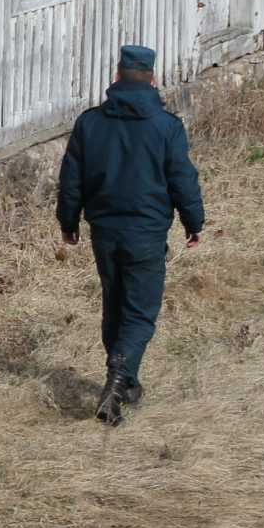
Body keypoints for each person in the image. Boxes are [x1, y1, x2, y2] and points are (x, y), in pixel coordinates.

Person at [56, 44, 205, 426]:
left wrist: (68, 222)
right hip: (147, 231)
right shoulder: (167, 127)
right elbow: (182, 179)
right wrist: (194, 221)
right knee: (140, 312)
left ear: (116, 77)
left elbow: (71, 179)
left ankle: (126, 381)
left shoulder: (90, 123)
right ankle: (119, 377)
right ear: (153, 79)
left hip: (103, 230)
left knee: (115, 302)